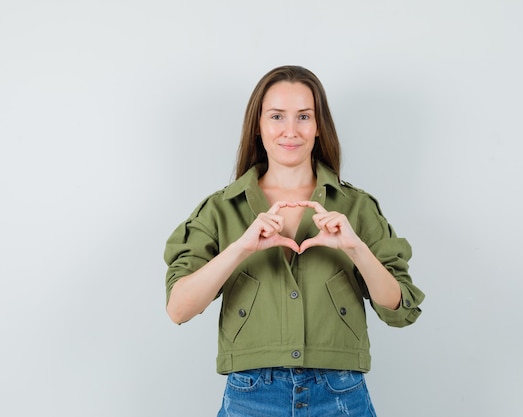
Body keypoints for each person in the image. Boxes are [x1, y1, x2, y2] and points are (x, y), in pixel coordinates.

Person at [164, 65, 425, 416]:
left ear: (319, 127)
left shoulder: (357, 207)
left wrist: (356, 249)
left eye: (304, 116)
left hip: (340, 395)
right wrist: (240, 248)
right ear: (258, 126)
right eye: (276, 116)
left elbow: (401, 310)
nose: (291, 130)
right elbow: (179, 308)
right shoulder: (220, 209)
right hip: (251, 396)